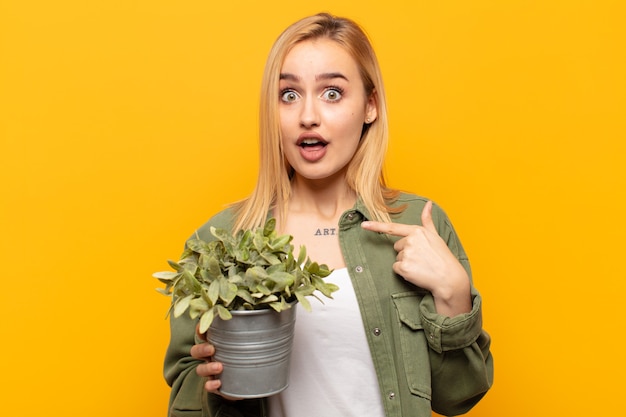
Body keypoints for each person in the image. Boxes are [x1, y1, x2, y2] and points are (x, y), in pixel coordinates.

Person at [163, 12, 494, 417]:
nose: (308, 115)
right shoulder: (221, 243)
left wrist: (454, 297)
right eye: (289, 94)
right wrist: (222, 389)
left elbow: (458, 397)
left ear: (370, 106)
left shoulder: (417, 225)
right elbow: (184, 396)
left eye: (332, 93)